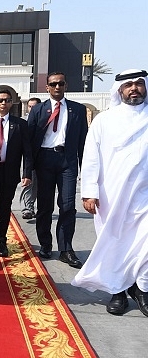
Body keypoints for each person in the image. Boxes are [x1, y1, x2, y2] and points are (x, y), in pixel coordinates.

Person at [72, 69, 148, 316]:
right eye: (128, 85)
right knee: (114, 242)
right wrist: (89, 191)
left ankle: (142, 288)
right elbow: (91, 157)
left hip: (145, 195)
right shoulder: (104, 120)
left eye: (138, 84)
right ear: (119, 90)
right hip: (111, 195)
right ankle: (117, 291)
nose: (134, 89)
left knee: (145, 245)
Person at [27, 72, 88, 268]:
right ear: (47, 87)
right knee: (45, 206)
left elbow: (83, 143)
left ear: (66, 85)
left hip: (67, 162)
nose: (57, 87)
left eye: (61, 83)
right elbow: (29, 143)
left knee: (68, 206)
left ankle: (66, 249)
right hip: (44, 160)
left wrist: (85, 169)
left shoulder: (77, 110)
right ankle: (45, 244)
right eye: (53, 84)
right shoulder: (38, 110)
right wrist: (27, 171)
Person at [0, 89, 32, 263]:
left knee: (4, 209)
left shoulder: (20, 124)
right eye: (0, 100)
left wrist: (27, 173)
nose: (3, 103)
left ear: (11, 103)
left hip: (9, 173)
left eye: (7, 100)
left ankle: (1, 241)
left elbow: (27, 151)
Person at [20, 97, 41, 219]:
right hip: (28, 157)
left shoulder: (44, 121)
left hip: (43, 156)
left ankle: (37, 207)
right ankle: (27, 208)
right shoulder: (23, 122)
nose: (32, 109)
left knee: (39, 185)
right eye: (30, 106)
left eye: (34, 106)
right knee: (28, 182)